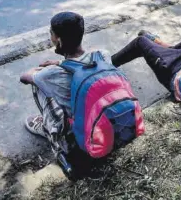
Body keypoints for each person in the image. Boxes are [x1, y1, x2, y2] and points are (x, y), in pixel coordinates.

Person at [20, 12, 113, 140]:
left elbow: (24, 78)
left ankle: (49, 129)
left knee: (38, 84)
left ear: (58, 40)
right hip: (106, 118)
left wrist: (41, 69)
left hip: (82, 132)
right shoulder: (102, 55)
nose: (50, 37)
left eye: (51, 33)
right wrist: (60, 62)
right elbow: (82, 64)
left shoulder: (51, 74)